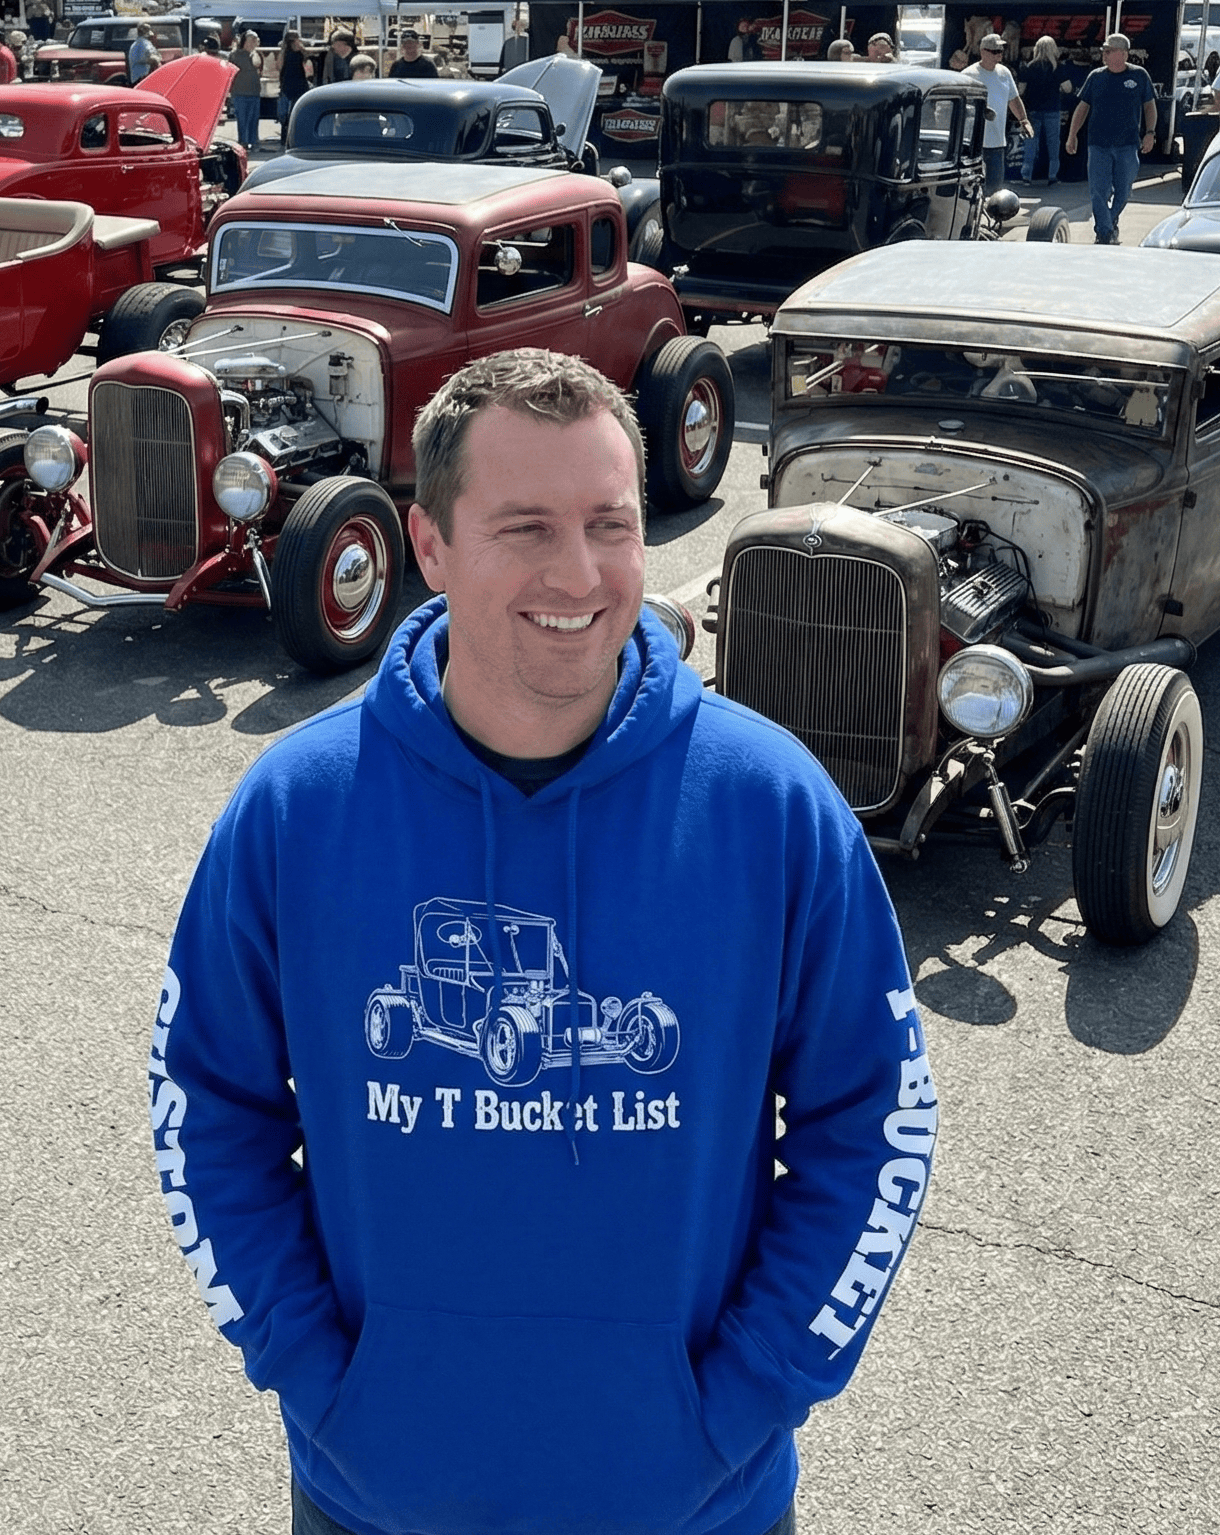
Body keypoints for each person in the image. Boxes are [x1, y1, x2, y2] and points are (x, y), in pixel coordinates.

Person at [149, 347, 935, 1535]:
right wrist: (318, 1379)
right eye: (524, 527)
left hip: (697, 1503)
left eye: (610, 525)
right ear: (429, 546)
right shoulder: (296, 808)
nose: (580, 573)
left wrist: (739, 1403)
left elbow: (875, 1119)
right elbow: (204, 1108)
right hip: (375, 1497)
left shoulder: (767, 805)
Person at [1066, 32, 1157, 244]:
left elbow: (1150, 106)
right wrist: (1072, 135)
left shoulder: (1139, 76)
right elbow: (1082, 108)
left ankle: (1110, 220)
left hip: (1127, 144)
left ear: (1123, 54)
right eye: (1104, 51)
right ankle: (1104, 232)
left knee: (1124, 191)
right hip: (1098, 144)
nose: (1104, 55)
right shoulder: (1096, 77)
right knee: (1099, 191)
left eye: (1109, 51)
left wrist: (1150, 133)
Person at [964, 33, 1031, 192]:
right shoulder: (968, 75)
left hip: (997, 143)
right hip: (973, 145)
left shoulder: (1004, 73)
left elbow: (1014, 99)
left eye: (1001, 51)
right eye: (995, 51)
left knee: (995, 189)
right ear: (983, 52)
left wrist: (1024, 120)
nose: (999, 55)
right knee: (972, 189)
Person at [1018, 35, 1074, 183]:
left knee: (1031, 142)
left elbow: (1020, 91)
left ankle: (1026, 175)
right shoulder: (1058, 68)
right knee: (1053, 143)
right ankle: (1052, 176)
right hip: (1053, 109)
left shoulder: (1029, 67)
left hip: (1033, 110)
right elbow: (1068, 88)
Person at [227, 30, 262, 151]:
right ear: (244, 41)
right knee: (242, 119)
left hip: (254, 92)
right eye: (251, 40)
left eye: (256, 40)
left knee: (254, 119)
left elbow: (258, 65)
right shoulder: (235, 55)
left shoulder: (256, 54)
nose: (254, 42)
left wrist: (254, 53)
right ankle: (243, 142)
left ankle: (254, 142)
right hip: (239, 92)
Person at [276, 30, 311, 135]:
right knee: (287, 112)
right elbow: (279, 66)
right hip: (290, 82)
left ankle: (292, 133)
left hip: (297, 82)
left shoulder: (300, 51)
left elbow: (307, 62)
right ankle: (287, 134)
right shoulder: (285, 52)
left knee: (293, 110)